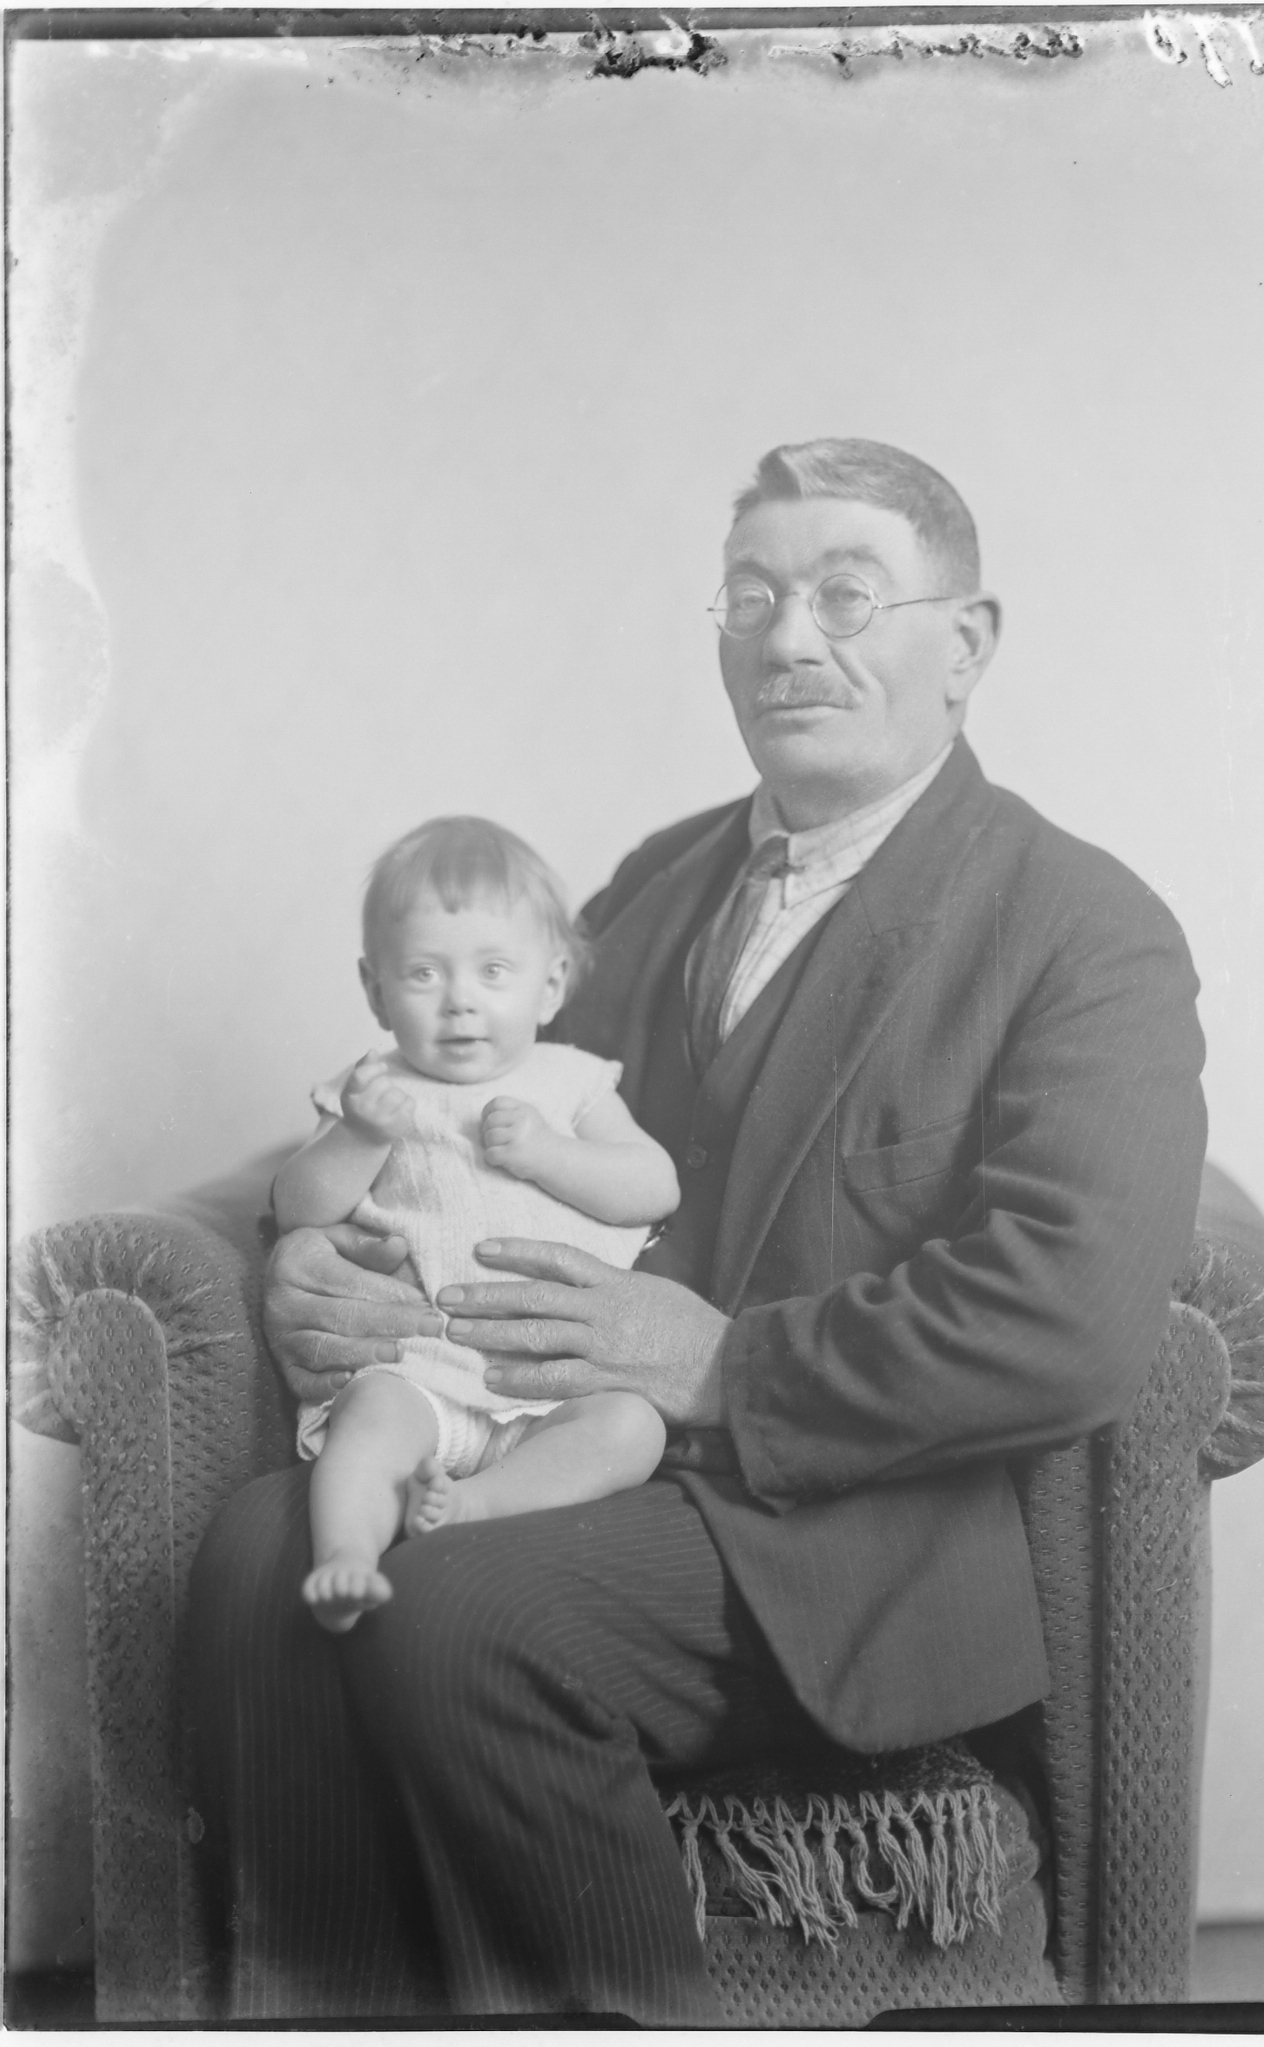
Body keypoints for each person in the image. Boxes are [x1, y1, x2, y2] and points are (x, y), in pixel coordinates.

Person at [187, 438, 1207, 2023]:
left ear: (966, 643)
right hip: (576, 1444)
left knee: (463, 1616)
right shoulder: (661, 882)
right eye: (751, 595)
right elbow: (455, 1101)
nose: (787, 637)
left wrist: (722, 1363)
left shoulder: (1081, 927)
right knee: (264, 1559)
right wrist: (312, 1257)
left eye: (845, 595)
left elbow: (1065, 1315)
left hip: (843, 1533)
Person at [273, 816, 679, 1632]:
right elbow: (299, 1208)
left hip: (554, 1383)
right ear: (374, 990)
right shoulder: (370, 1090)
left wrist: (549, 1154)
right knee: (369, 1422)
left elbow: (653, 1185)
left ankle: (474, 1504)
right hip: (422, 1371)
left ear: (550, 984)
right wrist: (360, 1136)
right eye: (424, 973)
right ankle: (346, 1558)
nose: (459, 1000)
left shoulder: (572, 1082)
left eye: (493, 970)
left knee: (630, 1427)